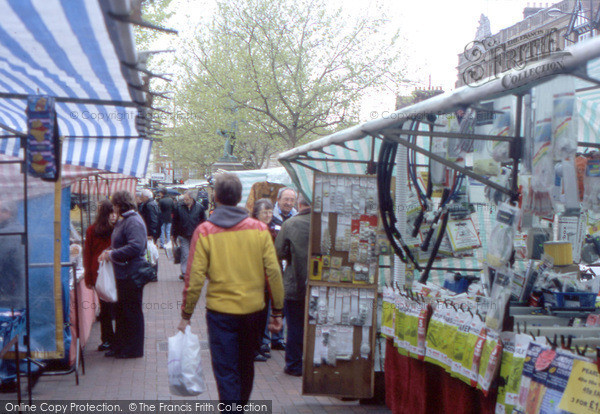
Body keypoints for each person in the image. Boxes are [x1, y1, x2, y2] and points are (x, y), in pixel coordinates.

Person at [178, 173, 284, 404]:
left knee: (225, 369)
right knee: (246, 364)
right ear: (239, 197)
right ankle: (239, 407)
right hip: (253, 310)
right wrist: (277, 311)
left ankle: (231, 409)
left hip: (220, 312)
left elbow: (194, 278)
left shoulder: (205, 231)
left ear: (215, 197)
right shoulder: (258, 229)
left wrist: (186, 314)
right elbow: (273, 273)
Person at [99, 191, 147, 359]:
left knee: (131, 311)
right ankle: (121, 346)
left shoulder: (133, 221)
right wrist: (109, 250)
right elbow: (121, 244)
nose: (113, 208)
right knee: (122, 311)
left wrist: (112, 254)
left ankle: (132, 349)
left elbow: (136, 246)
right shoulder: (125, 221)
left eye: (115, 205)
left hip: (131, 274)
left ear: (120, 205)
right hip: (122, 273)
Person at [274, 193, 311, 377]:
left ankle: (294, 364)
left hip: (294, 283)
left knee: (295, 326)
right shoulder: (326, 222)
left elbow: (278, 252)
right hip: (320, 285)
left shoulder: (290, 224)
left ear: (299, 203)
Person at [264, 187, 298, 351]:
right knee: (269, 302)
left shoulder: (296, 217)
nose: (289, 203)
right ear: (278, 199)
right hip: (271, 267)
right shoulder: (270, 216)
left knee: (282, 302)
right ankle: (265, 340)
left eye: (292, 200)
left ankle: (277, 338)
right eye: (286, 199)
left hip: (288, 268)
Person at [83, 199, 116, 352]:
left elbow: (87, 255)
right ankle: (116, 339)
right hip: (114, 270)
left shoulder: (91, 230)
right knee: (116, 304)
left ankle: (107, 339)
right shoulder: (116, 229)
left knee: (105, 307)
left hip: (97, 271)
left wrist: (89, 278)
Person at [251, 199, 276, 362]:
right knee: (255, 317)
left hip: (266, 280)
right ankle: (253, 349)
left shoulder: (271, 229)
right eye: (264, 212)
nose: (268, 215)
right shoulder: (254, 229)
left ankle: (259, 345)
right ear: (256, 214)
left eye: (270, 211)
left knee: (262, 316)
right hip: (255, 280)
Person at [172, 190, 206, 281]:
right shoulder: (179, 207)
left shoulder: (199, 208)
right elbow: (175, 221)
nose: (185, 201)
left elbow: (203, 221)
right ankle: (184, 273)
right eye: (184, 199)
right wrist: (173, 235)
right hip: (183, 234)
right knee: (185, 254)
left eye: (186, 199)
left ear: (192, 198)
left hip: (195, 235)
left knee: (195, 254)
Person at [0, 200, 24, 310]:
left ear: (7, 212)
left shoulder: (6, 233)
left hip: (6, 292)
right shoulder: (21, 229)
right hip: (17, 288)